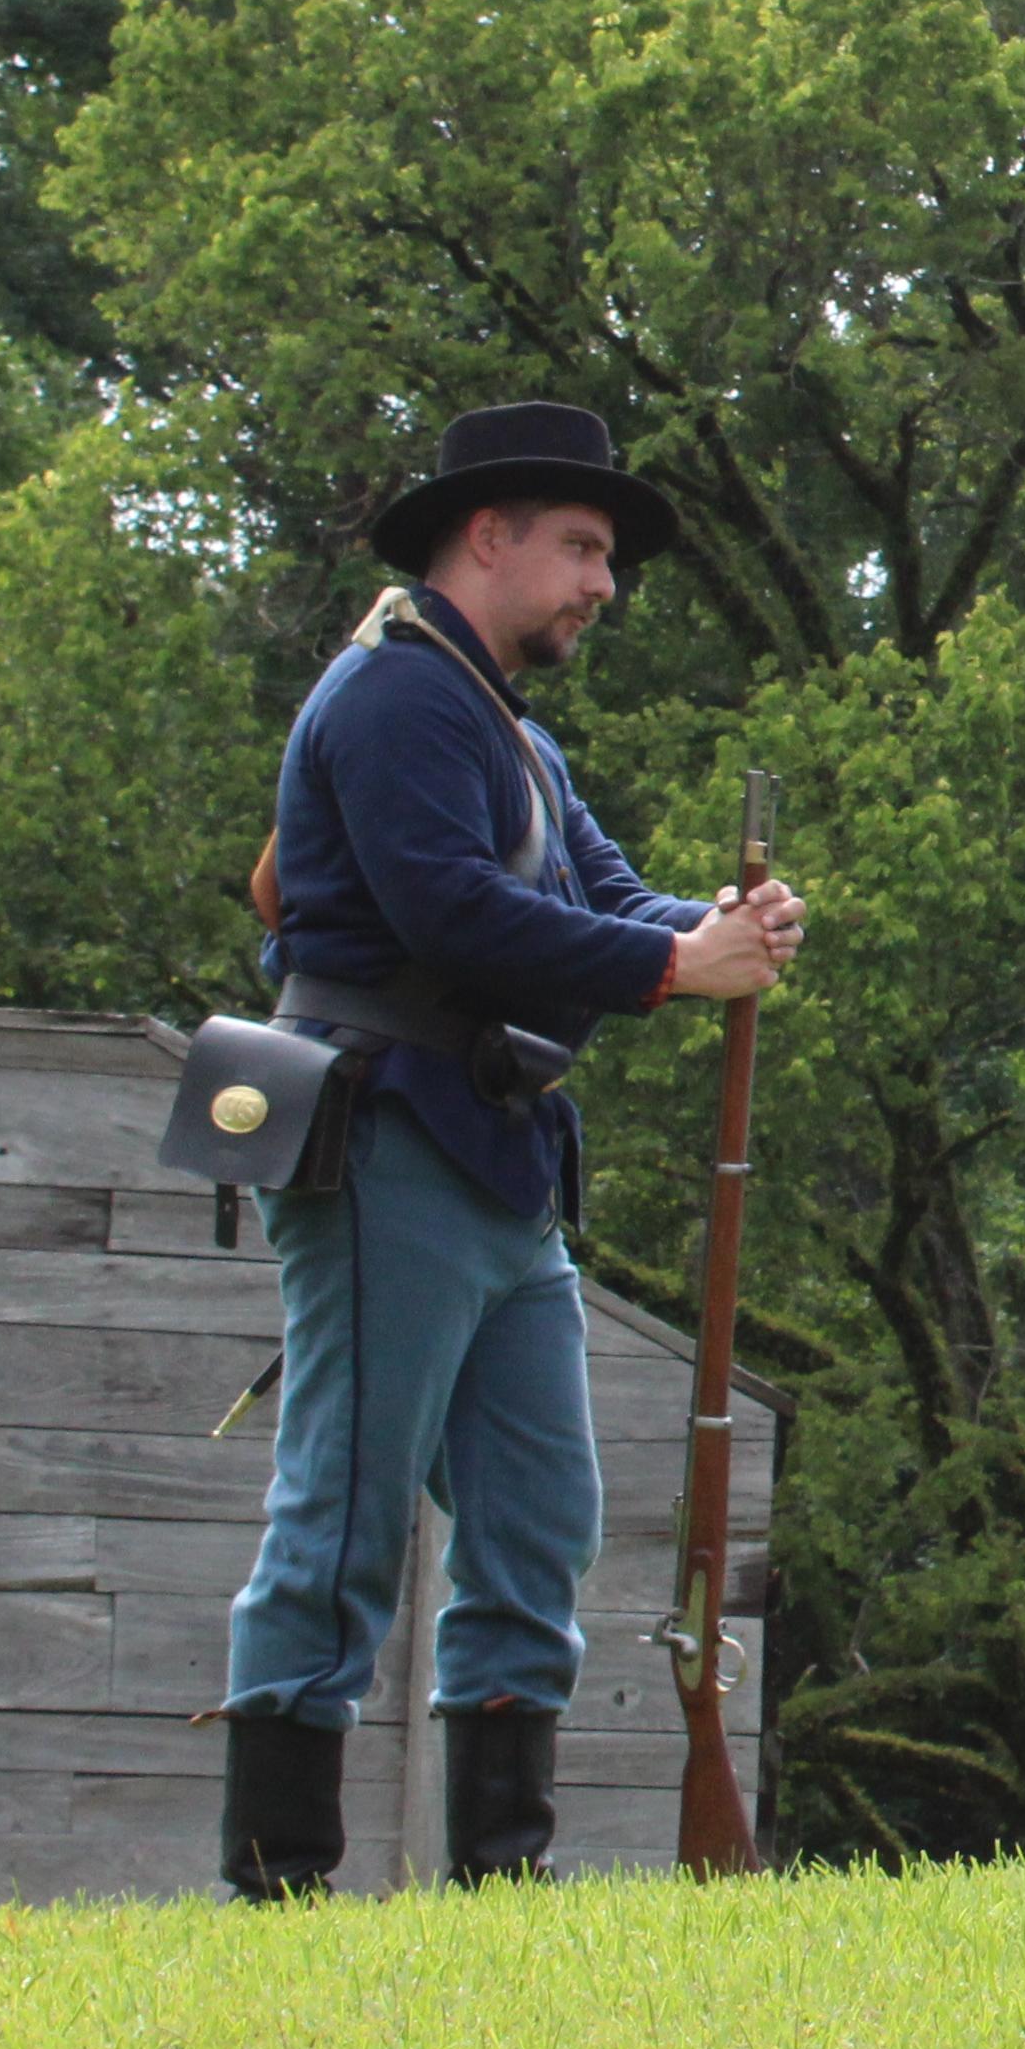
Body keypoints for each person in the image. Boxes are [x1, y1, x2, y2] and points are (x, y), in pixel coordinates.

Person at [217, 405, 802, 1899]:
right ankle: (280, 1884)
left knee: (540, 1521)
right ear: (490, 536)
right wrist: (680, 971)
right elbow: (452, 913)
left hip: (496, 1155)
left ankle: (500, 1877)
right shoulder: (396, 698)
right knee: (344, 1513)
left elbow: (604, 895)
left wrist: (717, 928)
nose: (605, 585)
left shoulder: (513, 733)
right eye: (585, 548)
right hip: (392, 1132)